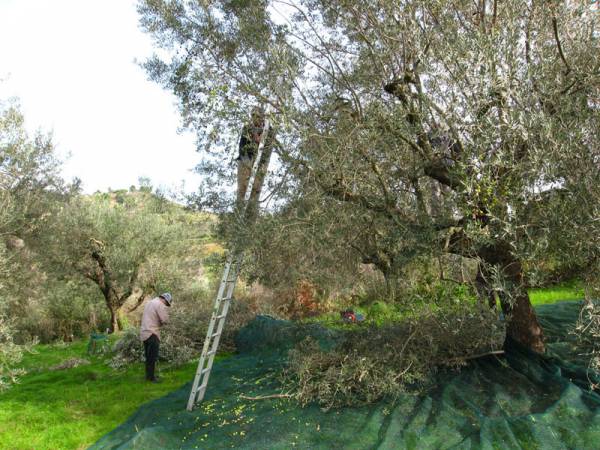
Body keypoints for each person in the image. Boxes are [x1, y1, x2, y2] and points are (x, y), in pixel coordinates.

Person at [236, 106, 275, 217]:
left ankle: (251, 217)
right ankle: (238, 214)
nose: (255, 118)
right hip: (245, 161)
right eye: (252, 115)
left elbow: (268, 149)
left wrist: (261, 163)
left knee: (256, 189)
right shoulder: (247, 128)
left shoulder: (269, 130)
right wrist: (248, 164)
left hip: (261, 163)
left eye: (257, 116)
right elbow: (242, 148)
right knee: (242, 189)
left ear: (262, 117)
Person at [140, 292, 172, 382]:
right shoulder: (160, 304)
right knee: (152, 357)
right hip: (152, 333)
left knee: (148, 356)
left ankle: (148, 376)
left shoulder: (150, 302)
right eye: (167, 303)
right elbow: (165, 320)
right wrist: (166, 321)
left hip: (144, 332)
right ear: (164, 299)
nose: (166, 305)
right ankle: (151, 378)